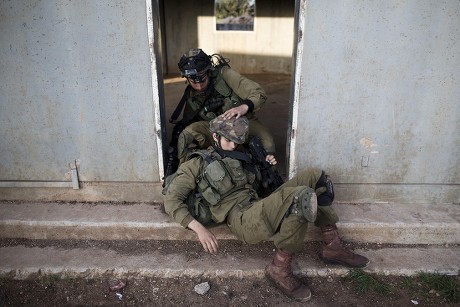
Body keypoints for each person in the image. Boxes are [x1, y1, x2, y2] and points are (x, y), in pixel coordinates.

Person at [163, 115, 369, 302]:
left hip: (259, 205)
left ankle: (332, 246)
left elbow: (265, 189)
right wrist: (199, 229)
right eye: (229, 141)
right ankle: (279, 269)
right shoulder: (197, 164)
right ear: (215, 136)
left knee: (316, 176)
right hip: (241, 218)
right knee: (301, 198)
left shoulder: (242, 156)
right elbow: (172, 201)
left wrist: (265, 165)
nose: (234, 146)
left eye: (237, 142)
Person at [171, 48, 275, 166]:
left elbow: (258, 93)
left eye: (203, 80)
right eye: (194, 82)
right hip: (215, 129)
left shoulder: (225, 74)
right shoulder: (190, 94)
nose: (199, 87)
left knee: (266, 141)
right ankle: (187, 173)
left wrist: (244, 107)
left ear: (208, 72)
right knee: (187, 134)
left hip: (242, 122)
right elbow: (189, 120)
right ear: (187, 78)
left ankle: (266, 178)